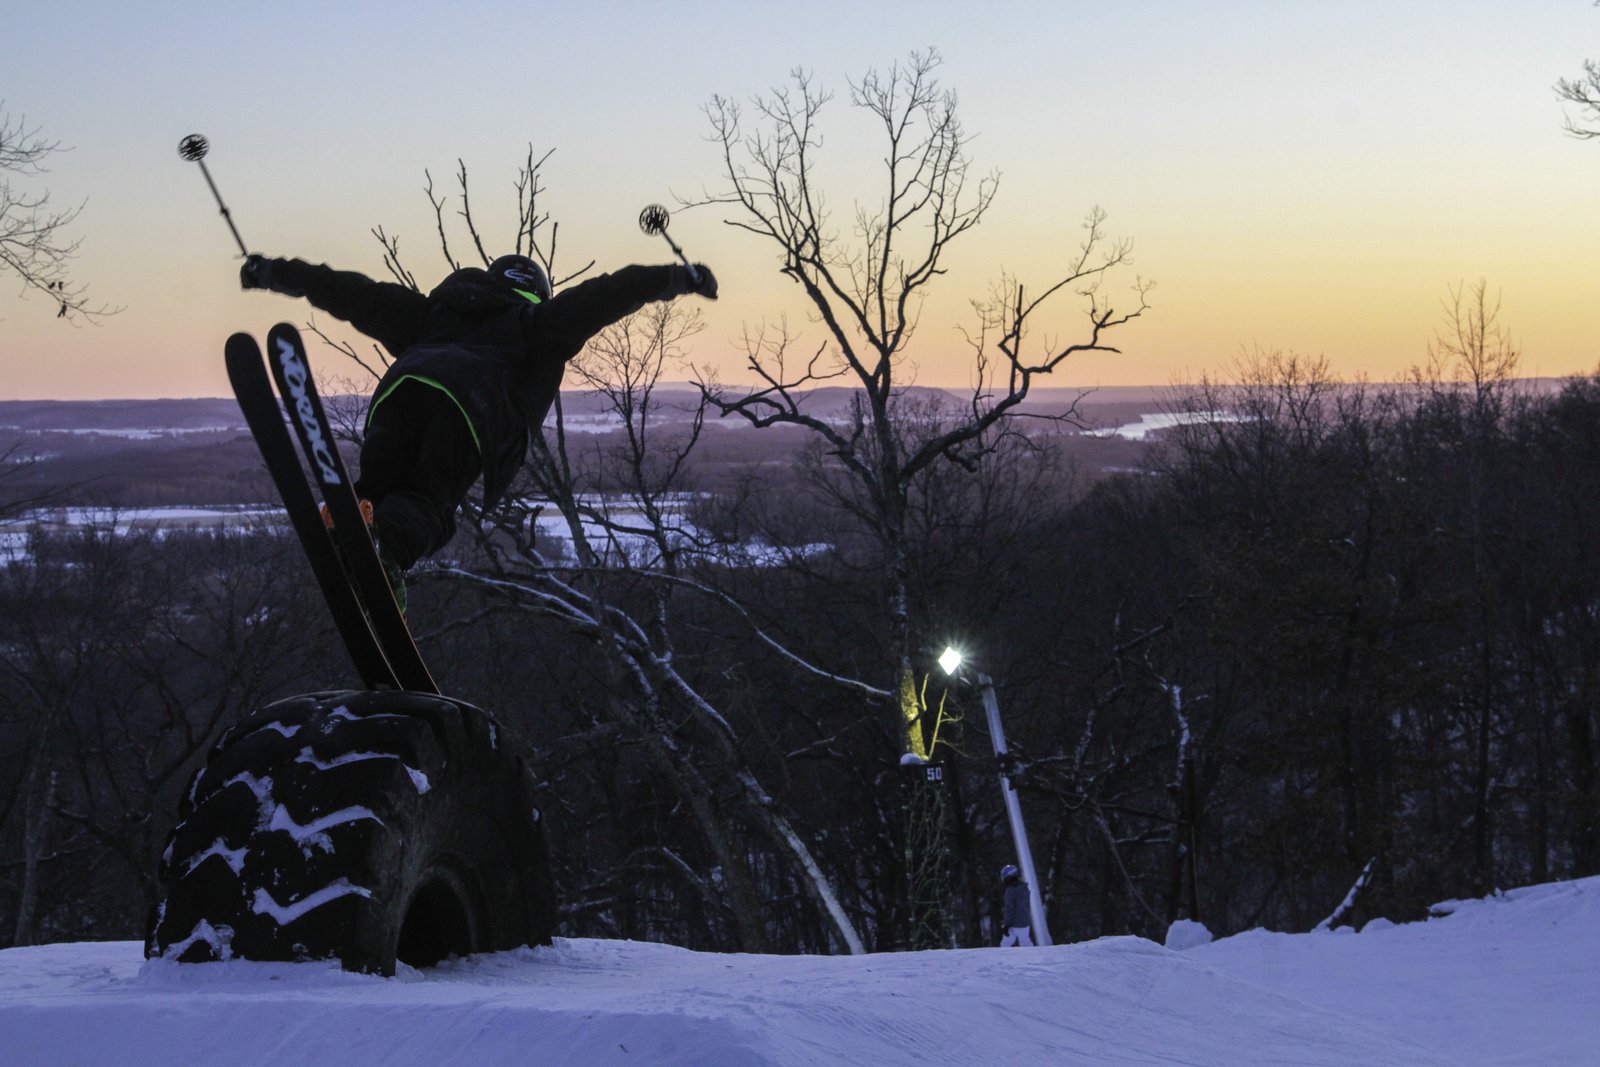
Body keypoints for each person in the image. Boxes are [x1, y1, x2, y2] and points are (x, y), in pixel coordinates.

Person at [240, 250, 717, 609]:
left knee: (381, 487)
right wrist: (676, 278)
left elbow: (354, 293)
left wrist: (277, 273)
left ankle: (353, 527)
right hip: (469, 414)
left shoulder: (433, 314)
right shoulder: (536, 325)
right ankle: (384, 549)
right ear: (537, 292)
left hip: (399, 396)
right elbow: (604, 295)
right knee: (430, 500)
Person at [998, 863, 1034, 947]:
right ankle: (1035, 957)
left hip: (1014, 924)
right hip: (1025, 922)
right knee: (1026, 943)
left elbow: (1009, 909)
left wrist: (1006, 925)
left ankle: (1002, 959)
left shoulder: (1010, 891)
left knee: (1005, 944)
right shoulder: (1024, 887)